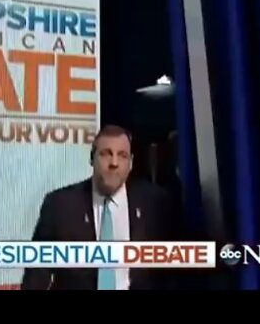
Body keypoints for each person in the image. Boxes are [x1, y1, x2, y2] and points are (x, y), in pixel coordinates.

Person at [20, 124, 180, 290]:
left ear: (131, 163)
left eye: (122, 155)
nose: (114, 163)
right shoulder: (60, 204)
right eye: (106, 154)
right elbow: (37, 273)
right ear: (91, 158)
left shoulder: (156, 203)